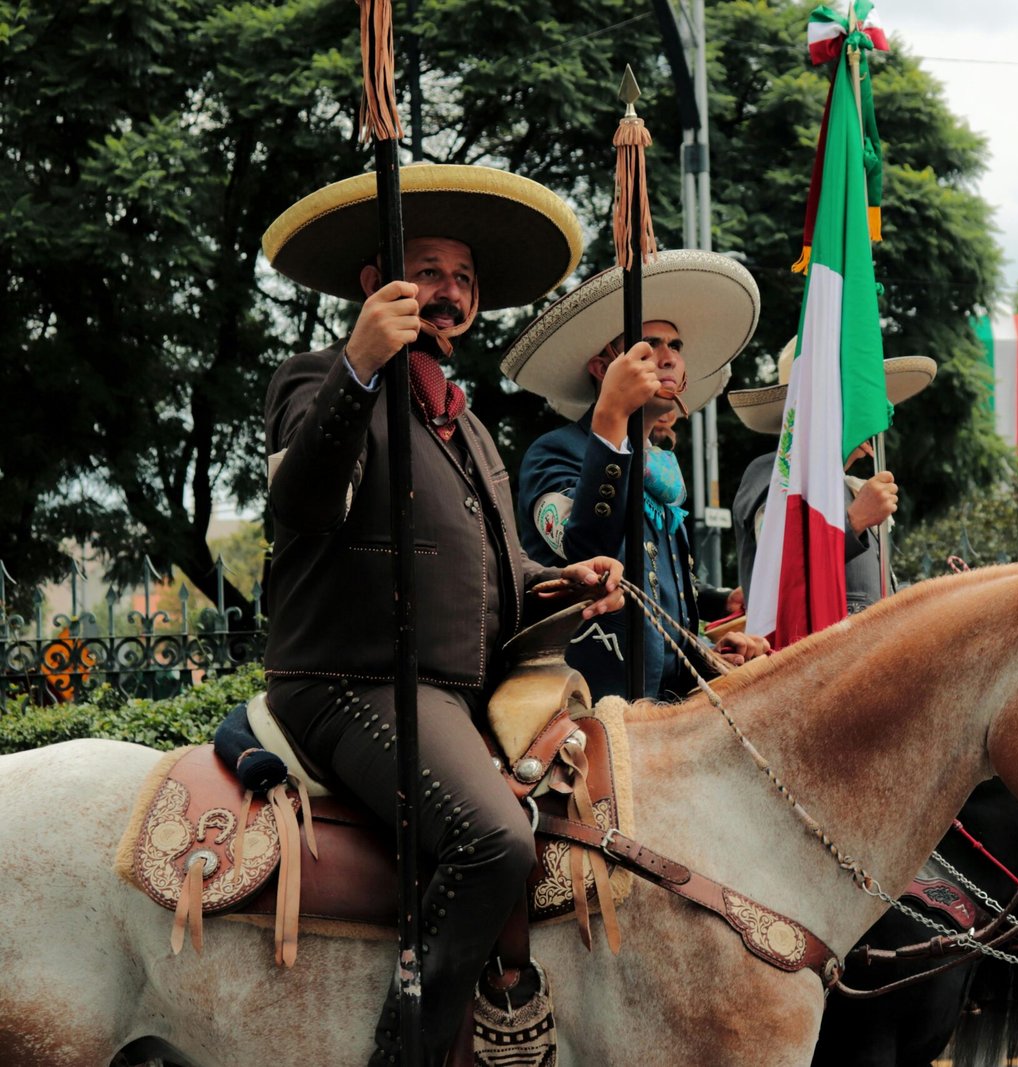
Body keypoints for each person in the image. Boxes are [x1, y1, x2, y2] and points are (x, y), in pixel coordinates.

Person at [258, 163, 620, 1066]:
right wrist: (358, 364)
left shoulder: (468, 423)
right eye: (426, 271)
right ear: (375, 284)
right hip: (351, 682)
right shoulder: (311, 380)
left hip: (455, 694)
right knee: (496, 841)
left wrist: (563, 578)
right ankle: (407, 1052)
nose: (447, 292)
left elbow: (503, 571)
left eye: (461, 277)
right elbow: (301, 503)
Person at [503, 249, 769, 701]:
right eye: (649, 346)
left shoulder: (660, 469)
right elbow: (587, 554)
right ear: (602, 369)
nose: (667, 358)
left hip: (671, 699)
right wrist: (611, 420)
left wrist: (714, 638)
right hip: (592, 697)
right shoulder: (553, 452)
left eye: (676, 347)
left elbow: (659, 587)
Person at [728, 338, 937, 614]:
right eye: (857, 401)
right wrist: (855, 521)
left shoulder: (848, 489)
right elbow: (779, 575)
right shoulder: (772, 473)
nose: (874, 417)